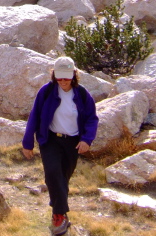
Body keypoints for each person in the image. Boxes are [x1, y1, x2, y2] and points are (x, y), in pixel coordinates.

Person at [22, 56, 99, 235]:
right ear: (54, 75)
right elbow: (34, 117)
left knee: (62, 178)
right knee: (53, 173)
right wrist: (28, 143)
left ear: (74, 75)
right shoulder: (46, 92)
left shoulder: (82, 95)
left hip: (72, 142)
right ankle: (59, 216)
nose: (63, 81)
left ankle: (58, 208)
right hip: (50, 140)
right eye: (60, 77)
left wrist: (87, 140)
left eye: (67, 77)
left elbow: (91, 119)